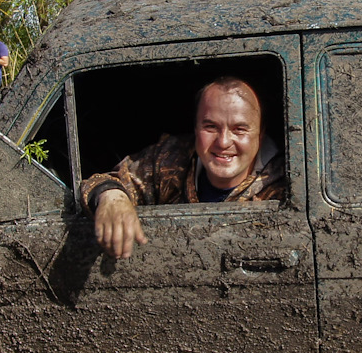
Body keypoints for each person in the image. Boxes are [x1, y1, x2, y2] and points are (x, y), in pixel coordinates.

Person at [80, 76, 285, 259]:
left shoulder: (288, 185)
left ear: (260, 133)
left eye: (239, 129)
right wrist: (111, 197)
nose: (223, 142)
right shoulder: (169, 159)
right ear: (195, 128)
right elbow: (107, 180)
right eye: (210, 127)